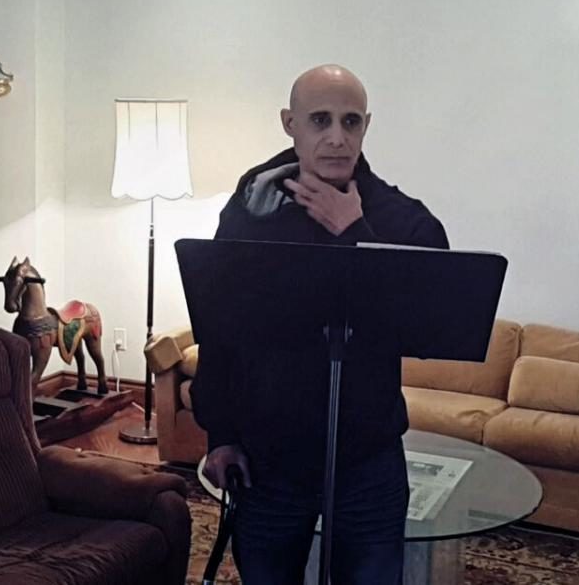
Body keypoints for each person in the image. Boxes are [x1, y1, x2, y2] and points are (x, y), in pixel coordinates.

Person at [190, 64, 449, 584]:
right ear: (290, 123)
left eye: (350, 122)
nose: (336, 137)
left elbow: (429, 314)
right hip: (267, 459)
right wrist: (221, 434)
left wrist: (354, 232)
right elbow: (221, 332)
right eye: (320, 120)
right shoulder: (249, 212)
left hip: (367, 458)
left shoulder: (398, 218)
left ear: (366, 126)